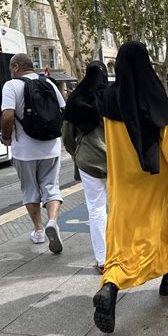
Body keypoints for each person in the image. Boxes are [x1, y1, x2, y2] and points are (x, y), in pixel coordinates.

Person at [92, 41, 168, 333]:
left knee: (125, 236)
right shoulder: (154, 94)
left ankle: (111, 285)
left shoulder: (110, 97)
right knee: (163, 224)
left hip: (124, 181)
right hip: (157, 180)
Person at [0, 53, 66, 253]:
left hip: (24, 150)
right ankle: (52, 221)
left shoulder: (11, 85)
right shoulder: (49, 83)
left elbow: (8, 114)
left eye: (11, 68)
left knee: (30, 189)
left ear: (17, 67)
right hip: (51, 146)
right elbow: (63, 109)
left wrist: (6, 137)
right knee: (51, 187)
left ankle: (38, 231)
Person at [62, 61, 108, 273]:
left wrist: (78, 154)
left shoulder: (76, 99)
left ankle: (102, 259)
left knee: (96, 209)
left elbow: (67, 137)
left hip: (88, 161)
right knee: (118, 207)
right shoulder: (112, 97)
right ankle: (122, 252)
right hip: (116, 161)